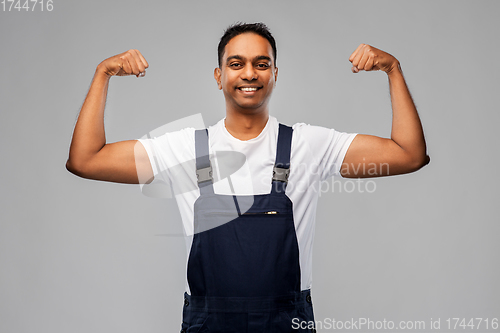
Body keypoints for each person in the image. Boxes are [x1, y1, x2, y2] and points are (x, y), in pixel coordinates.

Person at [66, 22, 429, 333]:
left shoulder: (309, 144)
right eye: (236, 63)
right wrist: (103, 74)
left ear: (274, 73)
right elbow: (86, 160)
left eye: (261, 63)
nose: (250, 73)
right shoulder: (183, 149)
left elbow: (409, 155)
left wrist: (393, 69)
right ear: (219, 76)